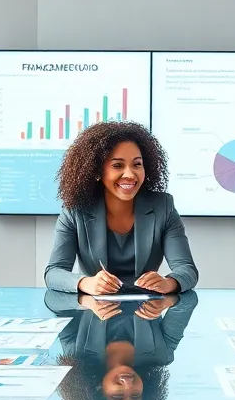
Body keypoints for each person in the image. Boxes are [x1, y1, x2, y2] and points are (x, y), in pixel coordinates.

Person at [44, 121, 198, 296]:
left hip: (146, 315)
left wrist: (169, 282)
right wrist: (85, 283)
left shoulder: (163, 207)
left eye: (137, 164)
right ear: (96, 171)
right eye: (117, 165)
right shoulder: (75, 211)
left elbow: (187, 270)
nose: (130, 174)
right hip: (96, 315)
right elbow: (54, 273)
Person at [43, 289, 197, 400]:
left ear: (98, 390)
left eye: (118, 396)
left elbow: (52, 299)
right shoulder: (161, 355)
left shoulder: (77, 353)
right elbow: (189, 299)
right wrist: (167, 301)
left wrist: (85, 300)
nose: (128, 385)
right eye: (135, 395)